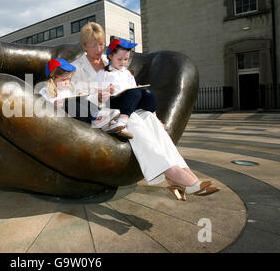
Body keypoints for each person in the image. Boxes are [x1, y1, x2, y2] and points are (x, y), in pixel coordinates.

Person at [70, 22, 219, 200]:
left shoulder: (111, 61)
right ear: (84, 45)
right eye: (93, 45)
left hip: (124, 107)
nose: (98, 48)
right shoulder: (75, 68)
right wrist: (98, 95)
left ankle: (183, 171)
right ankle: (173, 173)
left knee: (149, 118)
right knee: (134, 123)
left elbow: (126, 84)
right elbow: (73, 101)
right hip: (101, 113)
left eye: (101, 44)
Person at [96, 38, 157, 133]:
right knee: (134, 92)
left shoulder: (128, 73)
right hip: (113, 100)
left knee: (148, 92)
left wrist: (139, 89)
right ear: (110, 56)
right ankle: (122, 118)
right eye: (119, 59)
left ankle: (155, 117)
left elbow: (133, 89)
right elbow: (97, 92)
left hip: (129, 100)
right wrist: (107, 90)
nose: (123, 62)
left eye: (126, 59)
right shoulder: (103, 73)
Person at [39, 58, 120, 129]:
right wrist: (54, 105)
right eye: (64, 80)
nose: (67, 82)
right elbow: (43, 109)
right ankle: (96, 118)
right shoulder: (45, 92)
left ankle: (99, 115)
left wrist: (79, 96)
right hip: (63, 117)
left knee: (81, 99)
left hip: (78, 114)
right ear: (52, 78)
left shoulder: (67, 90)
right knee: (67, 102)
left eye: (69, 79)